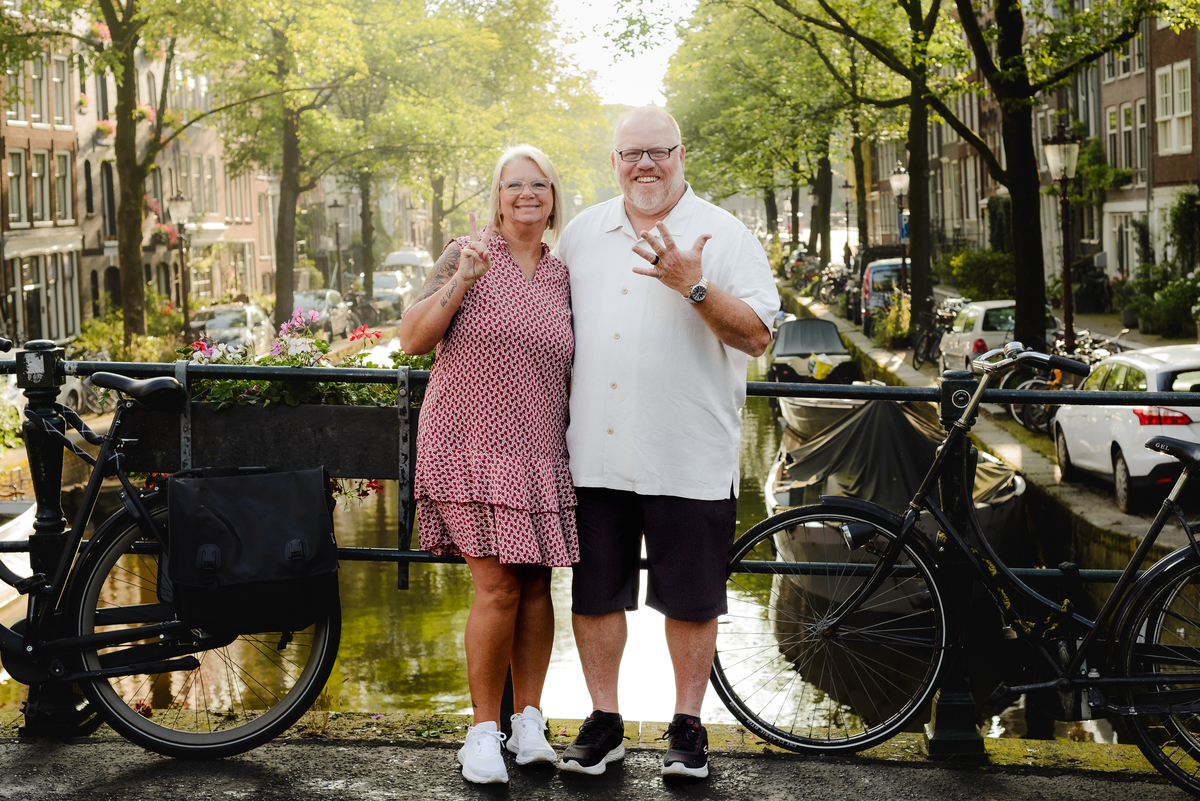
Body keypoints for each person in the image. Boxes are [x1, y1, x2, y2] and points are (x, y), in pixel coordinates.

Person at [553, 107, 780, 779]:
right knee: (595, 595)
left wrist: (695, 286)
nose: (644, 165)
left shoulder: (726, 235)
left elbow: (759, 336)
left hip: (687, 452)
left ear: (682, 154)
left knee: (691, 598)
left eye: (658, 151)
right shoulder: (583, 234)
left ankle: (687, 726)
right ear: (614, 161)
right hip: (596, 451)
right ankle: (604, 721)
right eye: (631, 154)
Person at [399, 144, 577, 785]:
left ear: (554, 197)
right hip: (469, 444)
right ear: (496, 197)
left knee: (535, 588)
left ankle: (529, 720)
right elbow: (413, 338)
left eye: (539, 184)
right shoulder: (463, 253)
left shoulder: (563, 275)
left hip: (537, 448)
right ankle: (481, 733)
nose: (526, 194)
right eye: (513, 185)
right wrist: (462, 281)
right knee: (498, 588)